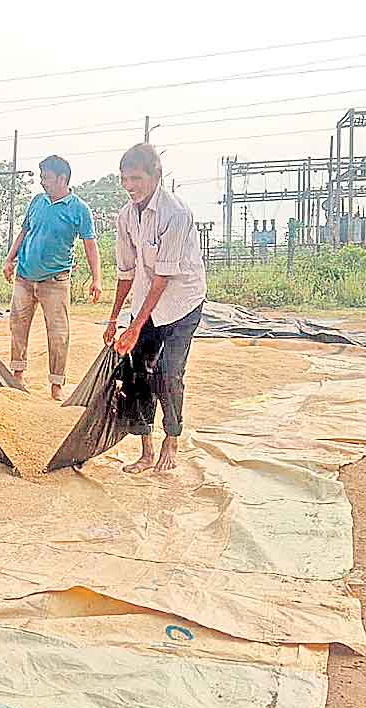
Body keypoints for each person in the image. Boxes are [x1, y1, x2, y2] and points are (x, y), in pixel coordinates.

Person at [105, 143, 207, 472]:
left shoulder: (175, 213)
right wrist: (114, 319)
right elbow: (126, 272)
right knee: (136, 372)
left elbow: (163, 278)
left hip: (181, 302)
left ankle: (171, 439)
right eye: (124, 179)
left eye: (136, 178)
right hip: (146, 300)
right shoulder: (125, 216)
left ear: (156, 176)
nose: (129, 186)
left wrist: (135, 327)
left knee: (169, 372)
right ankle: (146, 450)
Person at [2, 155, 102, 401]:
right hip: (25, 276)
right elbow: (24, 232)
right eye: (41, 177)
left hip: (55, 281)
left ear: (62, 179)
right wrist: (9, 259)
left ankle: (57, 384)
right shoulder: (37, 202)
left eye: (46, 177)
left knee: (58, 334)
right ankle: (18, 374)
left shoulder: (79, 209)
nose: (42, 181)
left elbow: (90, 245)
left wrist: (96, 279)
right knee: (18, 325)